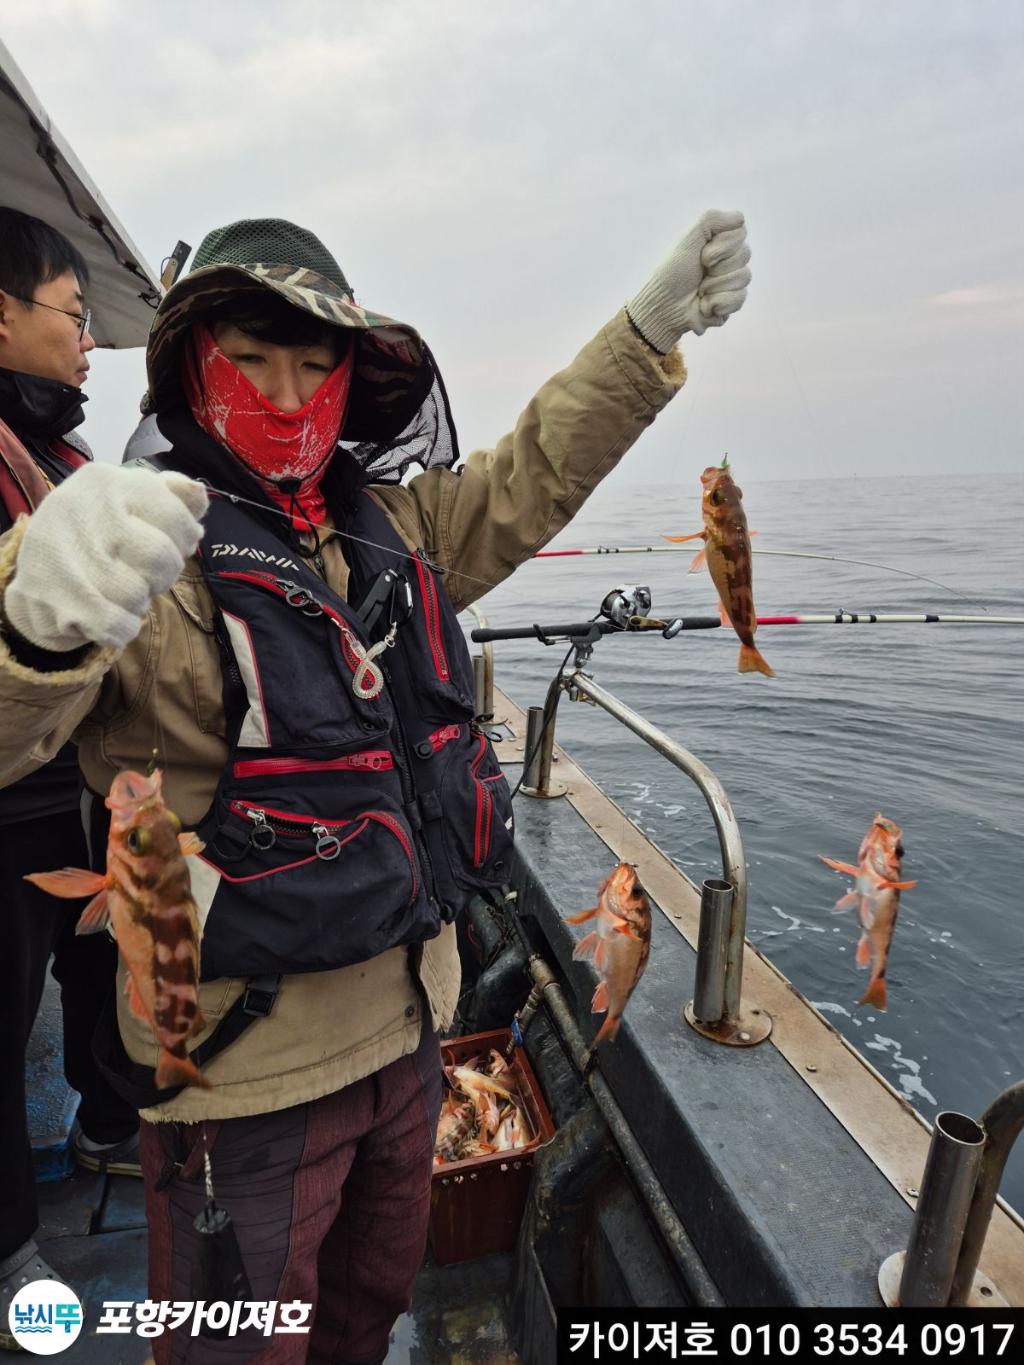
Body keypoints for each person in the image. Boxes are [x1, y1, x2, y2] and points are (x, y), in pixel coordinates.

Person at [0, 209, 750, 1363]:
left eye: (313, 363)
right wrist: (34, 620)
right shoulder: (135, 542)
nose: (285, 391)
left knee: (367, 1317)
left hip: (413, 1034)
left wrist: (640, 335)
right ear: (190, 374)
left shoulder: (393, 527)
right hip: (239, 1083)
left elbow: (531, 471)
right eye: (249, 360)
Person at [0, 208, 142, 1351]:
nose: (88, 341)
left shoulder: (63, 455)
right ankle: (10, 1252)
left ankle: (109, 1126)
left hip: (86, 788)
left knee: (104, 965)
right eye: (74, 315)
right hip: (5, 805)